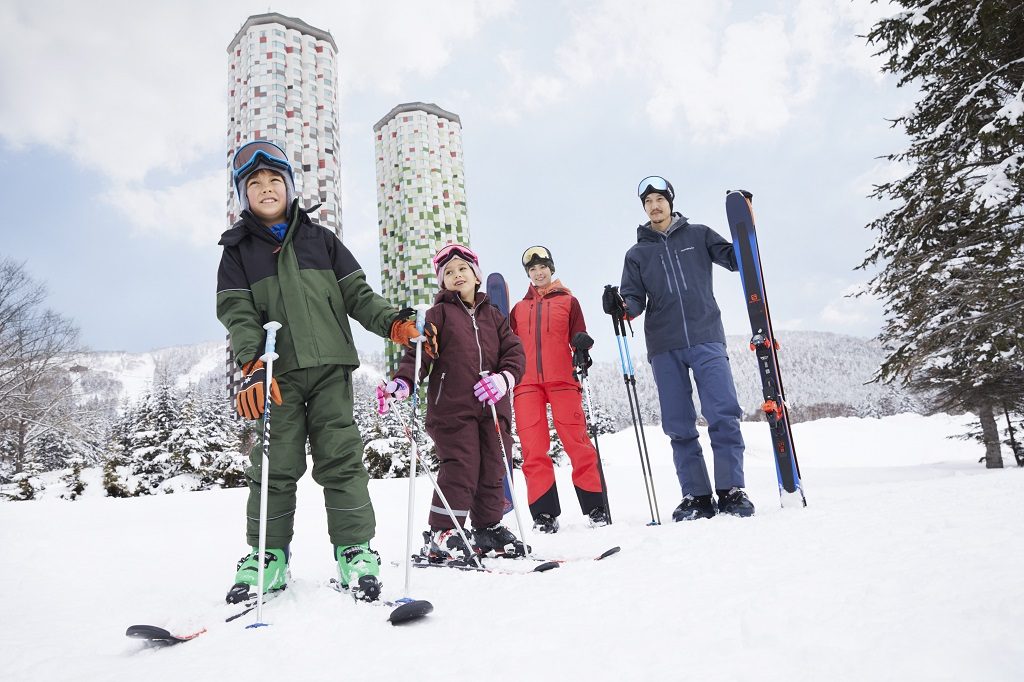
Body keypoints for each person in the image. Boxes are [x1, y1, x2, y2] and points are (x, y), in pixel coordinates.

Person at [216, 140, 432, 603]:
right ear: (243, 196)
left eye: (275, 180)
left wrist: (392, 322)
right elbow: (238, 313)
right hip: (277, 375)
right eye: (254, 183)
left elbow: (358, 295)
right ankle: (268, 554)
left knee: (341, 459)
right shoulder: (237, 252)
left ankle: (355, 549)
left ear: (290, 187)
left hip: (332, 368)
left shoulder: (322, 241)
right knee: (274, 464)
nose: (266, 188)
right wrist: (253, 364)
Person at [606, 175, 755, 521]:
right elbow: (633, 301)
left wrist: (746, 219)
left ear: (670, 202)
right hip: (664, 345)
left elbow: (737, 259)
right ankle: (696, 496)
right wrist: (620, 306)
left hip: (706, 336)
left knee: (723, 412)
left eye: (659, 199)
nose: (654, 206)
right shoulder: (637, 254)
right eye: (648, 202)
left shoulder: (699, 235)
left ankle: (731, 490)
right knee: (678, 423)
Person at [379, 243, 528, 562]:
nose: (457, 275)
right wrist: (404, 382)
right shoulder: (437, 316)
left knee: (493, 467)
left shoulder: (494, 316)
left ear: (476, 276)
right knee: (462, 465)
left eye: (463, 269)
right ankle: (443, 532)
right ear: (442, 282)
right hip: (452, 408)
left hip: (493, 408)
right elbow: (419, 355)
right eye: (449, 272)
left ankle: (487, 526)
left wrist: (503, 379)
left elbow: (514, 353)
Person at [509, 245, 608, 533]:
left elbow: (579, 333)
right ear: (528, 274)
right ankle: (544, 514)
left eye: (543, 267)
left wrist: (582, 347)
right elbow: (509, 345)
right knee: (533, 449)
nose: (538, 273)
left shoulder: (569, 302)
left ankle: (596, 508)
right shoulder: (518, 309)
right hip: (526, 384)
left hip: (563, 378)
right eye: (532, 269)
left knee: (577, 442)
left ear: (551, 269)